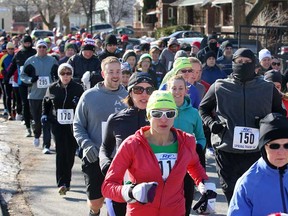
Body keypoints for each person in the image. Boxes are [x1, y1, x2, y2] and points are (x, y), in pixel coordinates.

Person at [199, 48, 287, 204]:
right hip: (227, 151)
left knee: (255, 195)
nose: (243, 65)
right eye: (239, 62)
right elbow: (203, 109)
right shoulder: (220, 86)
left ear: (254, 64)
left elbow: (279, 114)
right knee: (232, 196)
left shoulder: (267, 88)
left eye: (247, 62)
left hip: (257, 152)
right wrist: (212, 124)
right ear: (233, 63)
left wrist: (267, 123)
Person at [102, 90, 209, 216]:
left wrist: (202, 184)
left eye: (169, 113)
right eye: (157, 113)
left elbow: (194, 165)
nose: (163, 119)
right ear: (148, 116)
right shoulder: (132, 145)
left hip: (175, 211)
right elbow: (108, 186)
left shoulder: (187, 141)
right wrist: (131, 192)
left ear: (176, 115)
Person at [73, 56, 127, 216]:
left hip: (121, 159)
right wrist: (87, 144)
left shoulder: (128, 97)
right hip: (94, 156)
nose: (115, 75)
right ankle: (94, 211)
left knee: (118, 203)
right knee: (96, 202)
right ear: (103, 74)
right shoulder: (89, 96)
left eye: (118, 71)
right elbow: (77, 125)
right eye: (111, 72)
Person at [99, 72, 155, 216]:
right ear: (130, 92)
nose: (144, 94)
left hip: (152, 186)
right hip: (122, 186)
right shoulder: (116, 119)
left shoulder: (161, 119)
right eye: (138, 89)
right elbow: (105, 147)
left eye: (149, 90)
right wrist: (105, 163)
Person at [227, 113, 288, 216]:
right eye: (274, 146)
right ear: (263, 147)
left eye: (287, 145)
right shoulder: (247, 183)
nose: (281, 152)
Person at [42, 63, 84, 195]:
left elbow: (83, 106)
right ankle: (61, 183)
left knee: (70, 153)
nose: (65, 76)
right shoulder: (53, 88)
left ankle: (68, 180)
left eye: (68, 73)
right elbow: (46, 102)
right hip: (57, 123)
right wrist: (44, 114)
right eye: (63, 73)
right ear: (59, 75)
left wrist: (78, 103)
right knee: (60, 152)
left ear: (71, 75)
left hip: (72, 125)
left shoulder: (78, 88)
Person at [167, 75, 206, 215]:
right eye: (174, 88)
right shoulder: (164, 110)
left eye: (180, 88)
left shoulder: (194, 113)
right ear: (168, 90)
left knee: (186, 201)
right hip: (166, 162)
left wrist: (196, 149)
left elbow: (201, 138)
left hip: (186, 163)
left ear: (186, 91)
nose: (177, 92)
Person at [20, 39, 58, 153]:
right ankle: (37, 135)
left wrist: (55, 83)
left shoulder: (52, 60)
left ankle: (46, 145)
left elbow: (57, 75)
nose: (42, 49)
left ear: (47, 49)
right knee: (37, 120)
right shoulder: (30, 61)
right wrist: (31, 80)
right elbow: (23, 75)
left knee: (46, 120)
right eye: (40, 47)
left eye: (44, 47)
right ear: (36, 48)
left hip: (48, 96)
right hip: (34, 96)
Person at [5, 34, 36, 136]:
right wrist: (6, 77)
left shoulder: (35, 52)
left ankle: (35, 122)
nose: (27, 44)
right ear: (22, 43)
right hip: (22, 83)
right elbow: (13, 67)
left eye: (29, 43)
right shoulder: (18, 54)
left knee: (34, 103)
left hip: (34, 83)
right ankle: (27, 126)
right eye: (25, 43)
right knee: (25, 103)